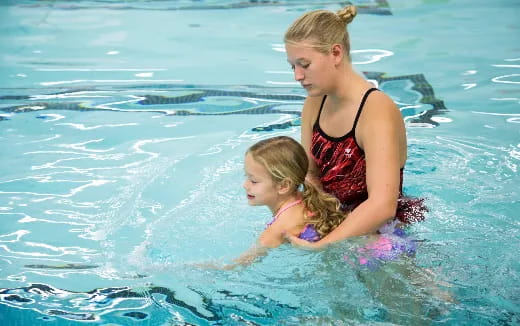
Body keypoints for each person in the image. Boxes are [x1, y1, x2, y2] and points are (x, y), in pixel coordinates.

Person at [283, 4, 427, 248]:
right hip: (337, 221)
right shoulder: (314, 103)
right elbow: (310, 173)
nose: (297, 75)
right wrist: (318, 217)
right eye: (292, 66)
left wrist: (323, 244)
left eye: (304, 64)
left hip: (383, 232)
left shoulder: (376, 110)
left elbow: (382, 206)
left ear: (336, 53)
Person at [205, 136, 346, 269]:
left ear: (284, 186)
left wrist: (201, 269)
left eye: (253, 181)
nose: (245, 185)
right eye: (246, 176)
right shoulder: (310, 198)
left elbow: (237, 266)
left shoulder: (277, 230)